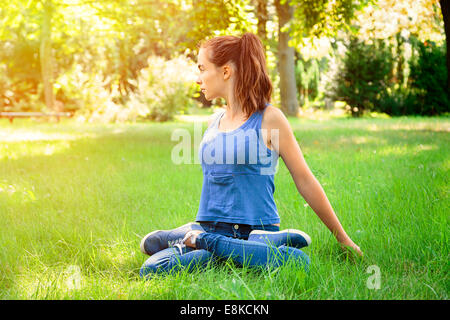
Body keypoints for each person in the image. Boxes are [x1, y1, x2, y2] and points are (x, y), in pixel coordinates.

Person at [139, 33, 362, 278]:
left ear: (225, 72)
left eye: (202, 69)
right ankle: (205, 241)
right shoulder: (214, 121)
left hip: (253, 230)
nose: (197, 78)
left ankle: (212, 242)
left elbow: (304, 179)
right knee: (151, 268)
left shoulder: (269, 119)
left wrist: (344, 239)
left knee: (298, 262)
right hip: (209, 227)